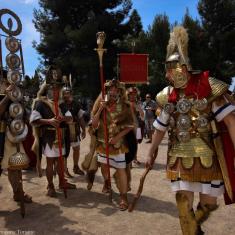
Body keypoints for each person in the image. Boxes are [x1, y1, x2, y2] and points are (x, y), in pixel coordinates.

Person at [146, 26, 235, 234]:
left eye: (173, 69)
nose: (169, 74)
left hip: (208, 157)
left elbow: (230, 121)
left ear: (185, 68)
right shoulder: (168, 94)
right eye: (167, 70)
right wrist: (151, 152)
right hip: (179, 155)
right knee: (183, 207)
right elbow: (160, 127)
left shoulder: (208, 86)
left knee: (208, 205)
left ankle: (195, 229)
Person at [30, 66, 76, 197]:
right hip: (49, 138)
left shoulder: (61, 104)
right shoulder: (40, 103)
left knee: (61, 161)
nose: (55, 91)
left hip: (61, 136)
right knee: (50, 162)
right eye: (52, 88)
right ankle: (50, 186)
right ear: (47, 90)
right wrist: (48, 121)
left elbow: (70, 118)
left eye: (57, 89)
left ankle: (62, 182)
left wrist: (63, 118)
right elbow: (33, 120)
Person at [91, 79, 135, 210]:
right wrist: (100, 109)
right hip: (102, 144)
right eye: (111, 90)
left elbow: (129, 126)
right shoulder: (100, 105)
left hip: (118, 144)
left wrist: (117, 137)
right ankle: (107, 182)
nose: (113, 92)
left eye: (116, 90)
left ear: (120, 91)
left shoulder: (125, 106)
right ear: (106, 91)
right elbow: (93, 124)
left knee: (121, 169)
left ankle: (123, 196)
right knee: (104, 166)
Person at [0, 69, 32, 203]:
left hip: (12, 137)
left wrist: (23, 110)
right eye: (5, 82)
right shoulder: (4, 96)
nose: (8, 85)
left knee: (15, 167)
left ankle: (18, 193)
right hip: (1, 137)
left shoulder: (16, 96)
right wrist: (7, 96)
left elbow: (25, 116)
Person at [60, 81, 86, 177]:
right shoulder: (60, 105)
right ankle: (65, 169)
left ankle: (75, 167)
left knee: (76, 149)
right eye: (65, 93)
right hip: (64, 130)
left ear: (71, 94)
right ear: (62, 95)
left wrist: (84, 129)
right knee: (64, 151)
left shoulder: (76, 104)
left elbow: (80, 117)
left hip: (74, 129)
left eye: (68, 93)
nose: (67, 95)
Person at [126, 87, 145, 165]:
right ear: (128, 95)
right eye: (131, 94)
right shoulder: (125, 103)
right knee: (127, 142)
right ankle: (129, 160)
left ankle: (135, 158)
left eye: (134, 94)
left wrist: (139, 109)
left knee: (136, 142)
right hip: (127, 126)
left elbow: (142, 115)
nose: (133, 96)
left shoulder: (138, 103)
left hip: (137, 125)